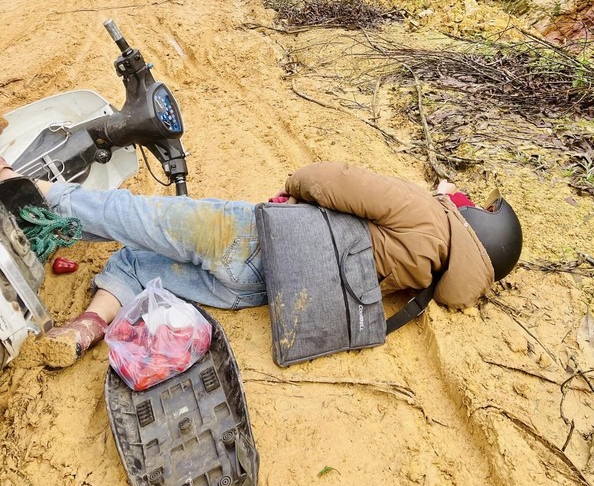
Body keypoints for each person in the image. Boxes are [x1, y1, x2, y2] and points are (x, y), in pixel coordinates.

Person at [0, 157, 522, 367]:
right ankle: (87, 327)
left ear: (473, 223)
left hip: (256, 237)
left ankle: (35, 196)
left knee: (140, 216)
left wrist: (294, 184)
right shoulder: (431, 278)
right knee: (140, 263)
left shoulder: (428, 216)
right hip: (263, 289)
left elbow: (332, 180)